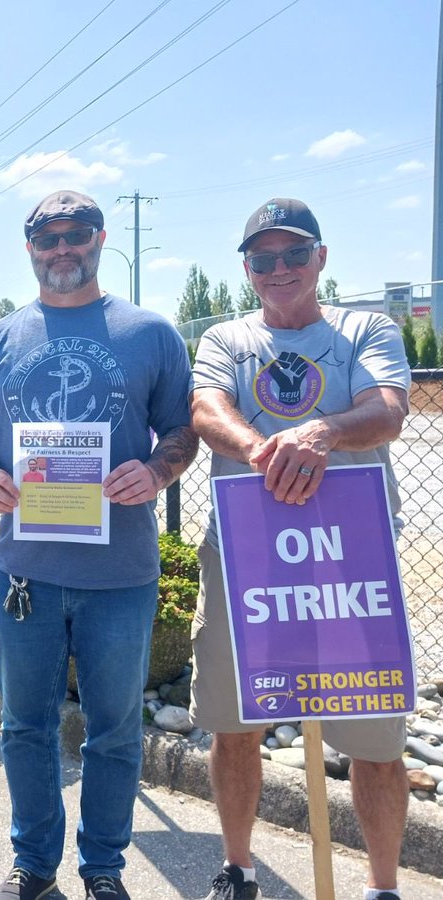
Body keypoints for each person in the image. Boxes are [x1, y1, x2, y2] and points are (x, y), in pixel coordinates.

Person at [0, 190, 199, 900]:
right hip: (26, 572)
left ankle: (104, 869)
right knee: (25, 725)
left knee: (114, 729)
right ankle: (33, 863)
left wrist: (155, 470)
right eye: (47, 237)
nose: (63, 248)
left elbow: (182, 429)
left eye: (77, 233)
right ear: (29, 247)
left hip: (120, 573)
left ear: (99, 239)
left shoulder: (150, 333)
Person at [189, 199, 411, 900]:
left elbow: (389, 410)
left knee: (375, 741)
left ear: (321, 258)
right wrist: (263, 453)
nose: (279, 269)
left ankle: (381, 887)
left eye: (294, 254)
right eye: (263, 258)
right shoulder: (226, 337)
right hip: (245, 556)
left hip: (352, 560)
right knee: (234, 724)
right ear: (248, 270)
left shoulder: (365, 328)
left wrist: (321, 434)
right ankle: (239, 868)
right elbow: (204, 410)